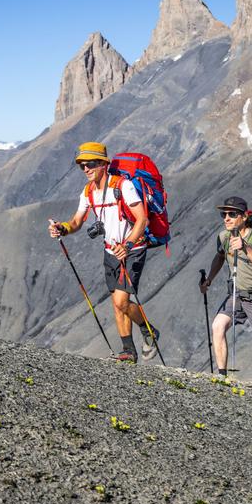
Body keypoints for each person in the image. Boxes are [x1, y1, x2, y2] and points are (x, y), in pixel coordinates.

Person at [48, 142, 158, 363]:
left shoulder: (123, 186)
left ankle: (149, 331)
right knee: (117, 302)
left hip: (132, 250)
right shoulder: (88, 192)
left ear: (103, 164)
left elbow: (142, 219)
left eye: (90, 164)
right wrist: (63, 228)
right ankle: (128, 351)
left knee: (121, 301)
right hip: (110, 251)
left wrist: (127, 245)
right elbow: (77, 221)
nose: (86, 169)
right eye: (82, 166)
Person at [199, 197, 252, 389]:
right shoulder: (224, 237)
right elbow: (219, 257)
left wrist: (245, 247)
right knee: (218, 326)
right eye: (224, 214)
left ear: (244, 217)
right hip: (237, 294)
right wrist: (209, 279)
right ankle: (222, 378)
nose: (226, 218)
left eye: (232, 214)